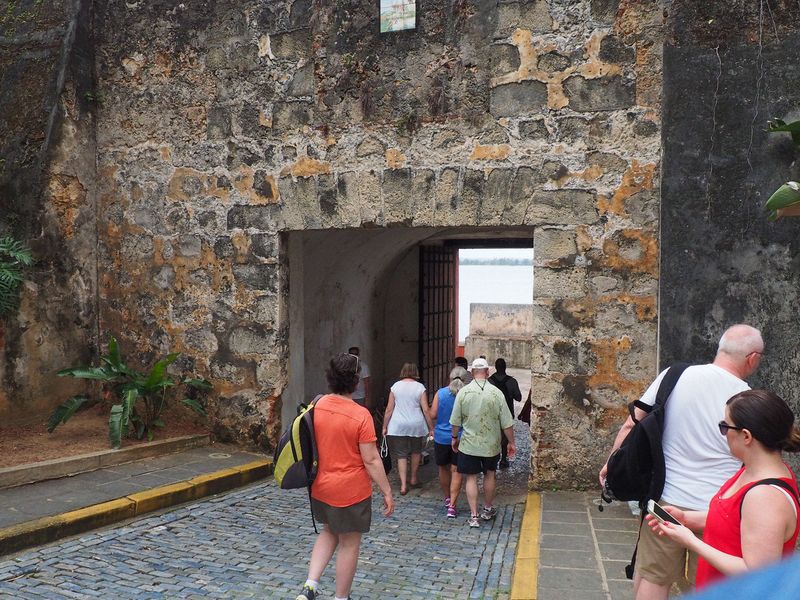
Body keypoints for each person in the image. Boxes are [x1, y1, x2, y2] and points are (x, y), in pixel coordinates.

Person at [599, 324, 765, 600]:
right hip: (717, 510)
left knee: (653, 576)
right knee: (707, 585)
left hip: (666, 501)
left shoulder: (675, 375)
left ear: (720, 348)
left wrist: (612, 462)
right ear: (753, 358)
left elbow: (632, 423)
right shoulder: (747, 401)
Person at [646, 390, 800, 591]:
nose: (724, 433)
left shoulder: (765, 497)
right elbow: (733, 520)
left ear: (746, 436)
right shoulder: (751, 470)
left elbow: (758, 573)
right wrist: (686, 518)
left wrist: (691, 542)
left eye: (725, 426)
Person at [296, 353, 394, 600]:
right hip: (350, 490)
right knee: (349, 543)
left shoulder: (318, 405)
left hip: (320, 485)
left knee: (329, 531)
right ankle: (341, 597)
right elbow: (371, 459)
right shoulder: (360, 415)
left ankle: (310, 585)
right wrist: (386, 490)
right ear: (356, 380)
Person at [450, 357, 515, 528]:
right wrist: (511, 442)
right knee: (490, 474)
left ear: (472, 373)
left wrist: (454, 438)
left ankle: (473, 516)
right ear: (487, 372)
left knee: (471, 478)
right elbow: (506, 422)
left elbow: (455, 420)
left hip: (469, 443)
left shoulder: (463, 392)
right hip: (491, 444)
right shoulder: (496, 393)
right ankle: (487, 508)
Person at [382, 362, 434, 495]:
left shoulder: (395, 387)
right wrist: (431, 427)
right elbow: (426, 410)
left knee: (401, 454)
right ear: (415, 371)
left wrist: (384, 426)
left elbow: (389, 409)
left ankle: (403, 485)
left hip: (398, 424)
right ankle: (414, 478)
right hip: (416, 424)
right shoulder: (420, 387)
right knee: (416, 451)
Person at [430, 366, 468, 518]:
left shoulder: (440, 393)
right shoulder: (466, 394)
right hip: (460, 437)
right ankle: (452, 505)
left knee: (443, 468)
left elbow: (433, 415)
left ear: (449, 378)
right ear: (465, 379)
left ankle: (446, 497)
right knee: (456, 470)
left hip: (441, 437)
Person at [488, 358, 522, 468]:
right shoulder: (512, 382)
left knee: (492, 435)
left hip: (492, 412)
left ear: (496, 367)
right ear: (505, 367)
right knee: (505, 436)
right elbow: (519, 397)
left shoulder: (489, 381)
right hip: (507, 412)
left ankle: (491, 457)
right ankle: (503, 459)